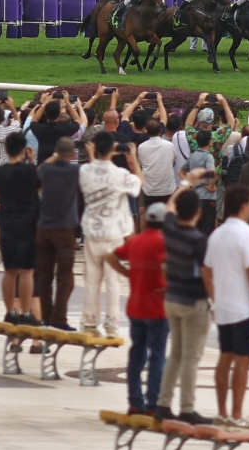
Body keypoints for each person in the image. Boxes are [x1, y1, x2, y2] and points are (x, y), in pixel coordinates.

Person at [202, 185, 249, 430]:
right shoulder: (247, 234)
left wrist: (215, 298)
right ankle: (237, 414)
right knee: (243, 362)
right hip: (246, 309)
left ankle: (222, 412)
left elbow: (206, 271)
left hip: (224, 308)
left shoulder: (217, 234)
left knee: (225, 358)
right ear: (243, 206)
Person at [154, 182, 212, 424]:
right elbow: (207, 273)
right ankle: (187, 408)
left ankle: (163, 403)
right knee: (190, 357)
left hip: (172, 298)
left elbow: (168, 207)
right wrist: (214, 301)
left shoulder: (169, 228)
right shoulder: (199, 240)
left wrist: (184, 185)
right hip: (193, 301)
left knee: (175, 354)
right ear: (198, 212)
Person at [107, 202, 169, 416]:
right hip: (157, 309)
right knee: (158, 357)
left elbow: (110, 256)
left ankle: (135, 402)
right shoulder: (163, 243)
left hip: (135, 307)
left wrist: (127, 274)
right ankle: (153, 403)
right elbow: (165, 267)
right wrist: (168, 285)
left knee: (137, 355)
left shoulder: (136, 242)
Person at [80, 132, 143, 336]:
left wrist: (94, 155)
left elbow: (94, 170)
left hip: (91, 231)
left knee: (91, 279)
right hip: (114, 232)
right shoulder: (120, 175)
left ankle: (90, 323)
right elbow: (139, 184)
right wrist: (131, 159)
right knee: (113, 281)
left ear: (95, 149)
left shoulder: (85, 170)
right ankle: (111, 325)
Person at [0, 132, 41, 327]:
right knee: (27, 272)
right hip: (28, 225)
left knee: (9, 271)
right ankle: (26, 312)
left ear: (6, 149)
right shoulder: (29, 171)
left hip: (7, 225)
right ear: (24, 149)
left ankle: (10, 311)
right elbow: (37, 187)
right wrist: (31, 161)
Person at [36, 137, 80, 330]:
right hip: (65, 228)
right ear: (72, 155)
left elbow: (39, 170)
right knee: (65, 276)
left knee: (44, 275)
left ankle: (45, 315)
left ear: (55, 151)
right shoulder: (74, 171)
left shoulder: (45, 169)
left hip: (44, 227)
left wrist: (53, 156)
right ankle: (59, 318)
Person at [179, 129, 217, 234]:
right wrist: (209, 186)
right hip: (207, 198)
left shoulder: (192, 156)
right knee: (207, 229)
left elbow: (181, 172)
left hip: (195, 196)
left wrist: (191, 183)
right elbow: (213, 174)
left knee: (195, 228)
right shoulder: (208, 156)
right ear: (209, 142)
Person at [139, 119, 177, 207]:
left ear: (147, 131)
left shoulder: (141, 147)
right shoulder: (169, 145)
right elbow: (174, 161)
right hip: (167, 188)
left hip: (149, 189)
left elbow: (141, 164)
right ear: (160, 131)